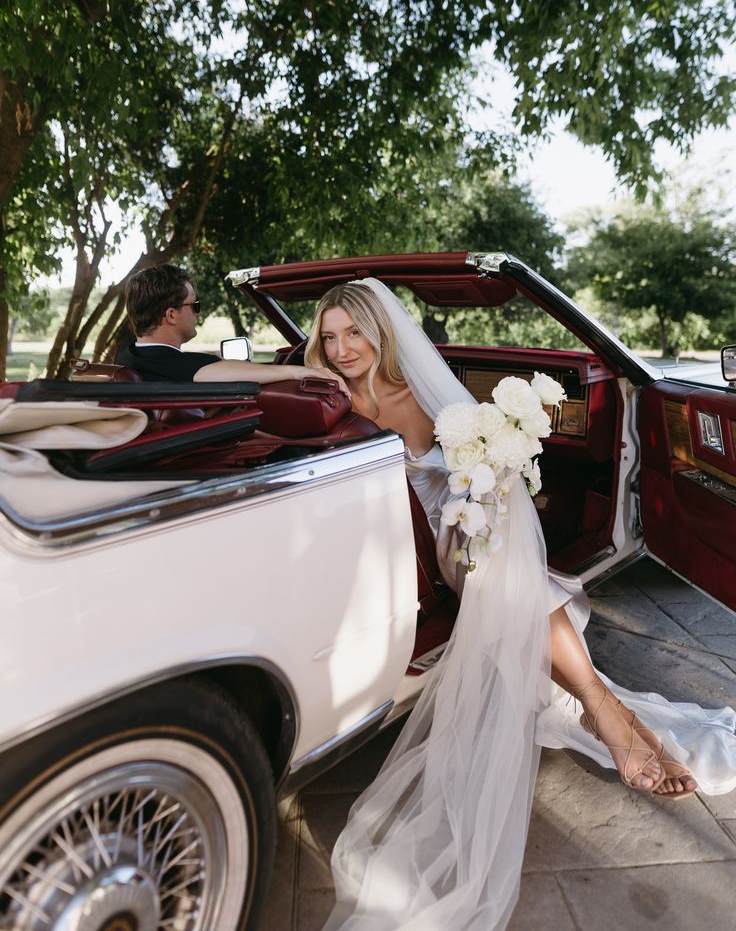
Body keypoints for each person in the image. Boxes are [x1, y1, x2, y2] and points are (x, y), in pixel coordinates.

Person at [304, 279, 736, 931]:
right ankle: (607, 711)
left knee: (506, 561)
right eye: (328, 337)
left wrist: (495, 476)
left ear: (382, 331)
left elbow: (480, 467)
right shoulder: (330, 398)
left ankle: (603, 707)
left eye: (352, 333)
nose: (340, 349)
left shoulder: (422, 388)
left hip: (462, 531)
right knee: (509, 572)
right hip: (417, 541)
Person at [117, 264, 349, 392]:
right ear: (171, 315)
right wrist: (299, 371)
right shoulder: (177, 365)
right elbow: (222, 370)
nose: (198, 313)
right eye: (194, 305)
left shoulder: (126, 356)